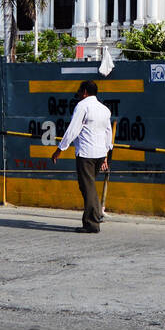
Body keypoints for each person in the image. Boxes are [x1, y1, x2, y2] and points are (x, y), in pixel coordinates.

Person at [51, 80, 113, 233]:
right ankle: (95, 215)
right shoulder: (104, 109)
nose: (78, 94)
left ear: (84, 92)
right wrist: (106, 154)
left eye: (79, 91)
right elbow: (108, 132)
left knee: (88, 187)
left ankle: (92, 223)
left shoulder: (82, 106)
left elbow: (73, 129)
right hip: (99, 154)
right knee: (87, 186)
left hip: (86, 153)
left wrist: (60, 149)